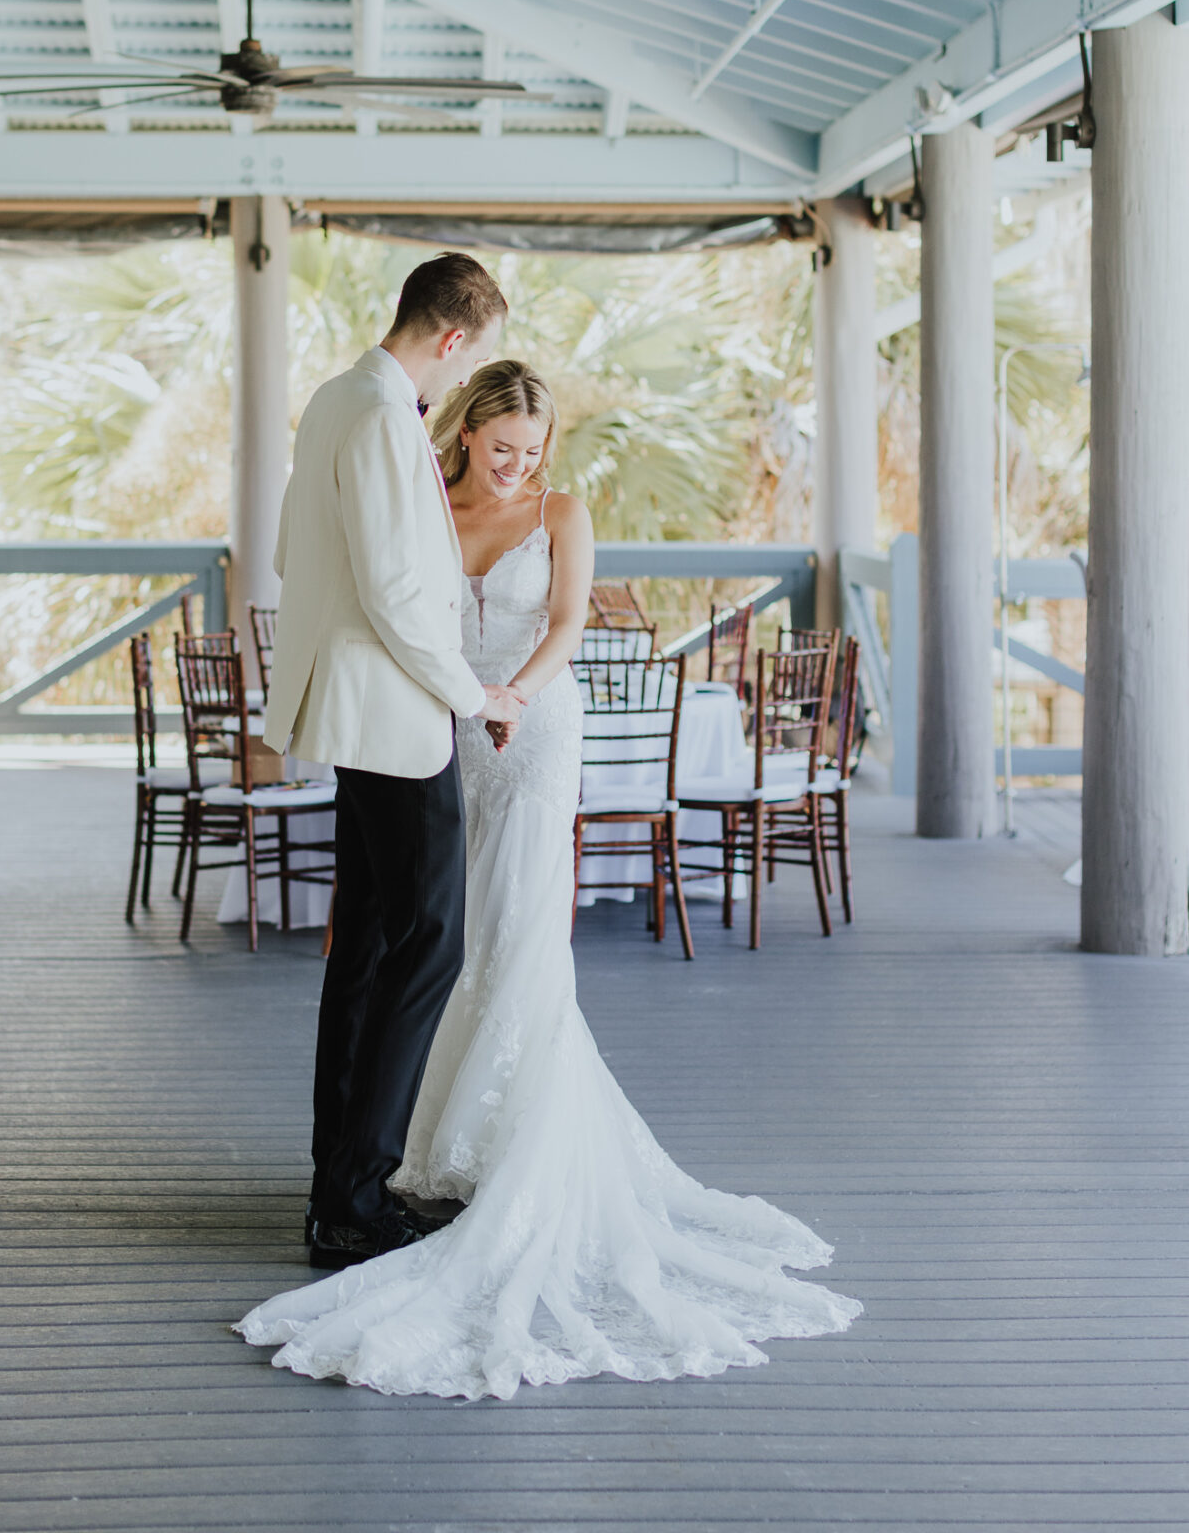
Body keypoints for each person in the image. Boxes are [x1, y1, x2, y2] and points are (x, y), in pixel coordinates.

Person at [238, 360, 862, 1399]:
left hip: (529, 733)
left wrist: (515, 696)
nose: (518, 465)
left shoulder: (561, 512)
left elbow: (568, 621)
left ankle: (507, 1143)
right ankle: (418, 1142)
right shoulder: (426, 504)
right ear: (468, 433)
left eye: (532, 451)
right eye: (501, 448)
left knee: (520, 931)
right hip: (439, 734)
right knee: (444, 938)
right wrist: (461, 698)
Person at [262, 254, 525, 1272]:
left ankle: (343, 1192)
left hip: (362, 708)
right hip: (396, 713)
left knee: (368, 949)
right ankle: (357, 1194)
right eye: (478, 356)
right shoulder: (378, 414)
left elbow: (297, 553)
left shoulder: (340, 399)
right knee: (430, 943)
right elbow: (392, 590)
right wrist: (477, 692)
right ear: (453, 339)